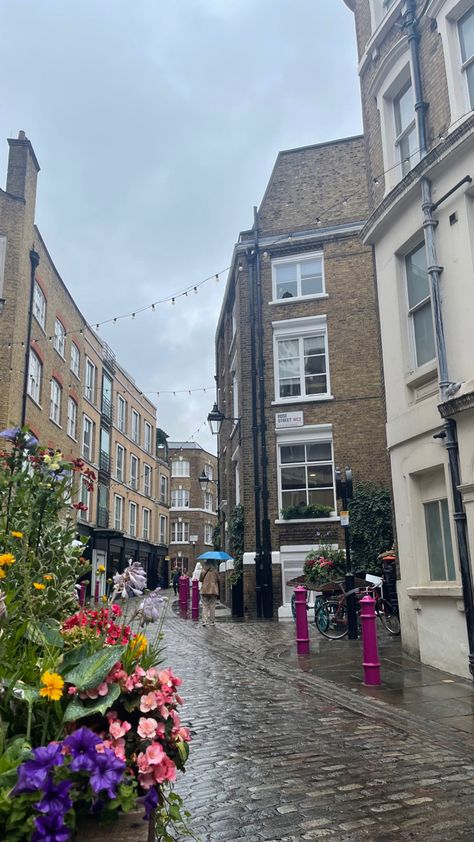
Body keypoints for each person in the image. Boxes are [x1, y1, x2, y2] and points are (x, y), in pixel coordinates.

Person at [200, 562, 220, 627]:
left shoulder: (203, 570)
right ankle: (212, 621)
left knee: (205, 605)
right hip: (213, 590)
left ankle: (204, 621)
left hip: (205, 589)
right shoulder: (215, 570)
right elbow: (219, 579)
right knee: (212, 606)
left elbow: (200, 579)